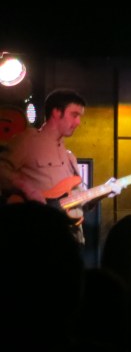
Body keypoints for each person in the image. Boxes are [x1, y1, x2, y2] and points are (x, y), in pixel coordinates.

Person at [0, 89, 122, 245]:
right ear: (56, 112)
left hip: (68, 239)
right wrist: (27, 188)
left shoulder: (69, 156)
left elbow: (78, 201)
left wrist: (105, 191)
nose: (78, 122)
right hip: (33, 237)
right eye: (74, 115)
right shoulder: (28, 140)